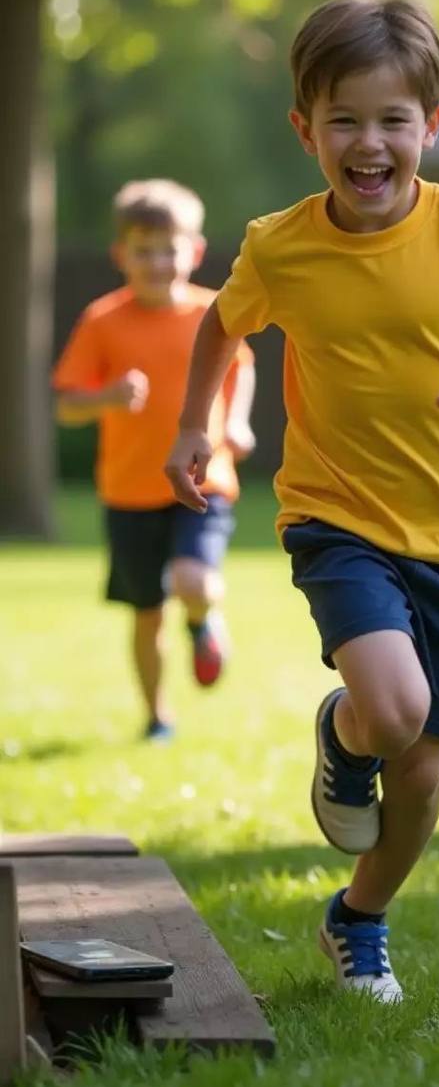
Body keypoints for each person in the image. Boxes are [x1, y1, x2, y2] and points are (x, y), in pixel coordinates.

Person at [165, 0, 439, 1002]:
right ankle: (348, 728)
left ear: (429, 127)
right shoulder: (281, 245)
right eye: (343, 119)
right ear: (305, 128)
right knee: (395, 709)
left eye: (392, 119)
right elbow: (222, 323)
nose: (369, 142)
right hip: (336, 514)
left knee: (426, 772)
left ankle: (357, 917)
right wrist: (192, 426)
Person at [54, 178, 255, 742]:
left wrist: (235, 421)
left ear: (192, 251)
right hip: (128, 491)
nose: (157, 262)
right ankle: (157, 715)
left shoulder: (211, 312)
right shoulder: (102, 320)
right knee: (146, 613)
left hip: (201, 479)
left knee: (193, 578)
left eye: (169, 248)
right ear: (121, 255)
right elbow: (68, 406)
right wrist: (107, 397)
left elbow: (242, 367)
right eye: (143, 250)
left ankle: (203, 619)